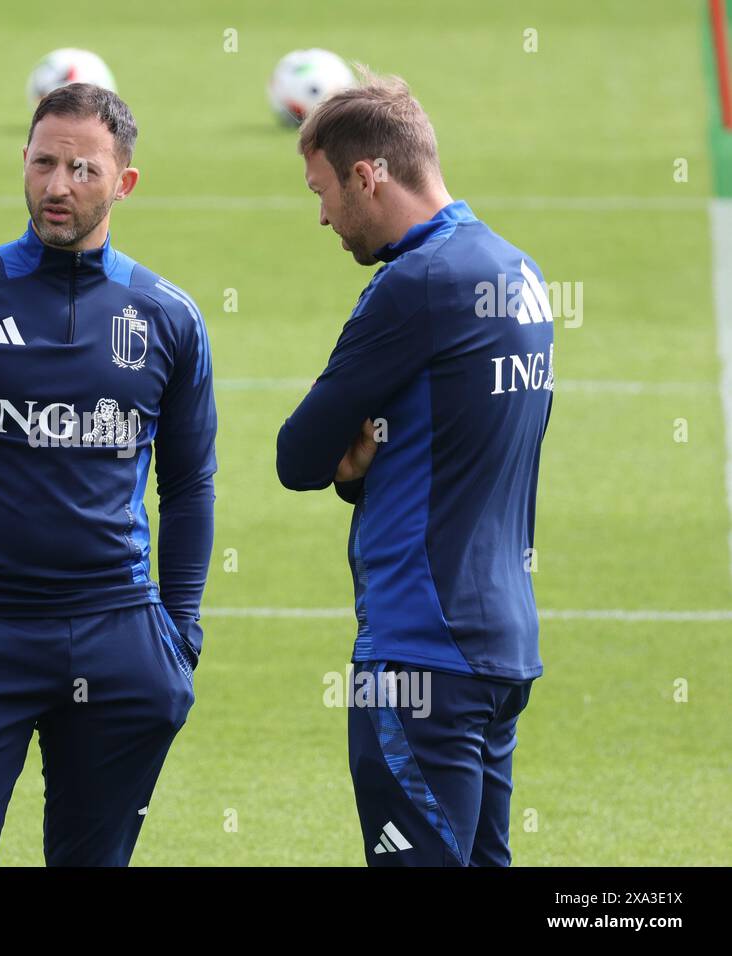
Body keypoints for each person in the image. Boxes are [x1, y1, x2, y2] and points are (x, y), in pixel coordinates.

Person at [0, 83, 217, 866]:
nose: (58, 186)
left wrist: (181, 633)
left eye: (83, 170)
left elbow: (189, 484)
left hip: (117, 634)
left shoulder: (168, 317)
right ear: (22, 163)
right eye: (43, 163)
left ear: (124, 182)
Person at [276, 73, 553, 866]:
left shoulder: (416, 285)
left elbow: (298, 455)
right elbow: (462, 441)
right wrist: (366, 469)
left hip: (417, 656)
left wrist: (347, 468)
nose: (323, 215)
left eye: (324, 191)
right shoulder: (518, 273)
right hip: (501, 649)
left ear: (370, 175)